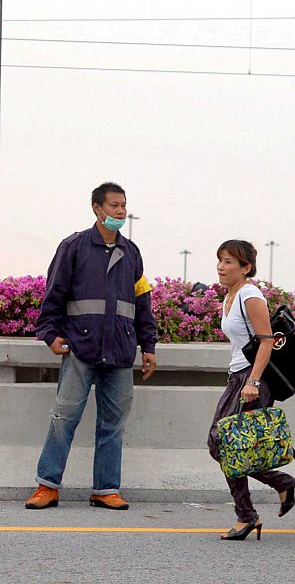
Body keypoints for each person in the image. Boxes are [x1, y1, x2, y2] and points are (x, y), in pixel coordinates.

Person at [26, 182, 157, 511]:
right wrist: (49, 333)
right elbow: (54, 292)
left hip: (120, 351)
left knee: (113, 425)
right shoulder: (73, 247)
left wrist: (149, 345)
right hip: (80, 347)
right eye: (114, 206)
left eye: (123, 206)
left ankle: (106, 489)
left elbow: (143, 303)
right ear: (97, 209)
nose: (120, 212)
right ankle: (47, 486)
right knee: (64, 418)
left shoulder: (132, 253)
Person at [207, 240, 295, 541]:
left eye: (229, 262)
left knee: (222, 443)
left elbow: (266, 340)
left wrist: (253, 382)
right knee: (224, 445)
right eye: (220, 260)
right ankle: (281, 483)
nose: (222, 266)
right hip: (238, 375)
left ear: (246, 267)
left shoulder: (250, 295)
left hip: (251, 378)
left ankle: (247, 515)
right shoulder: (230, 296)